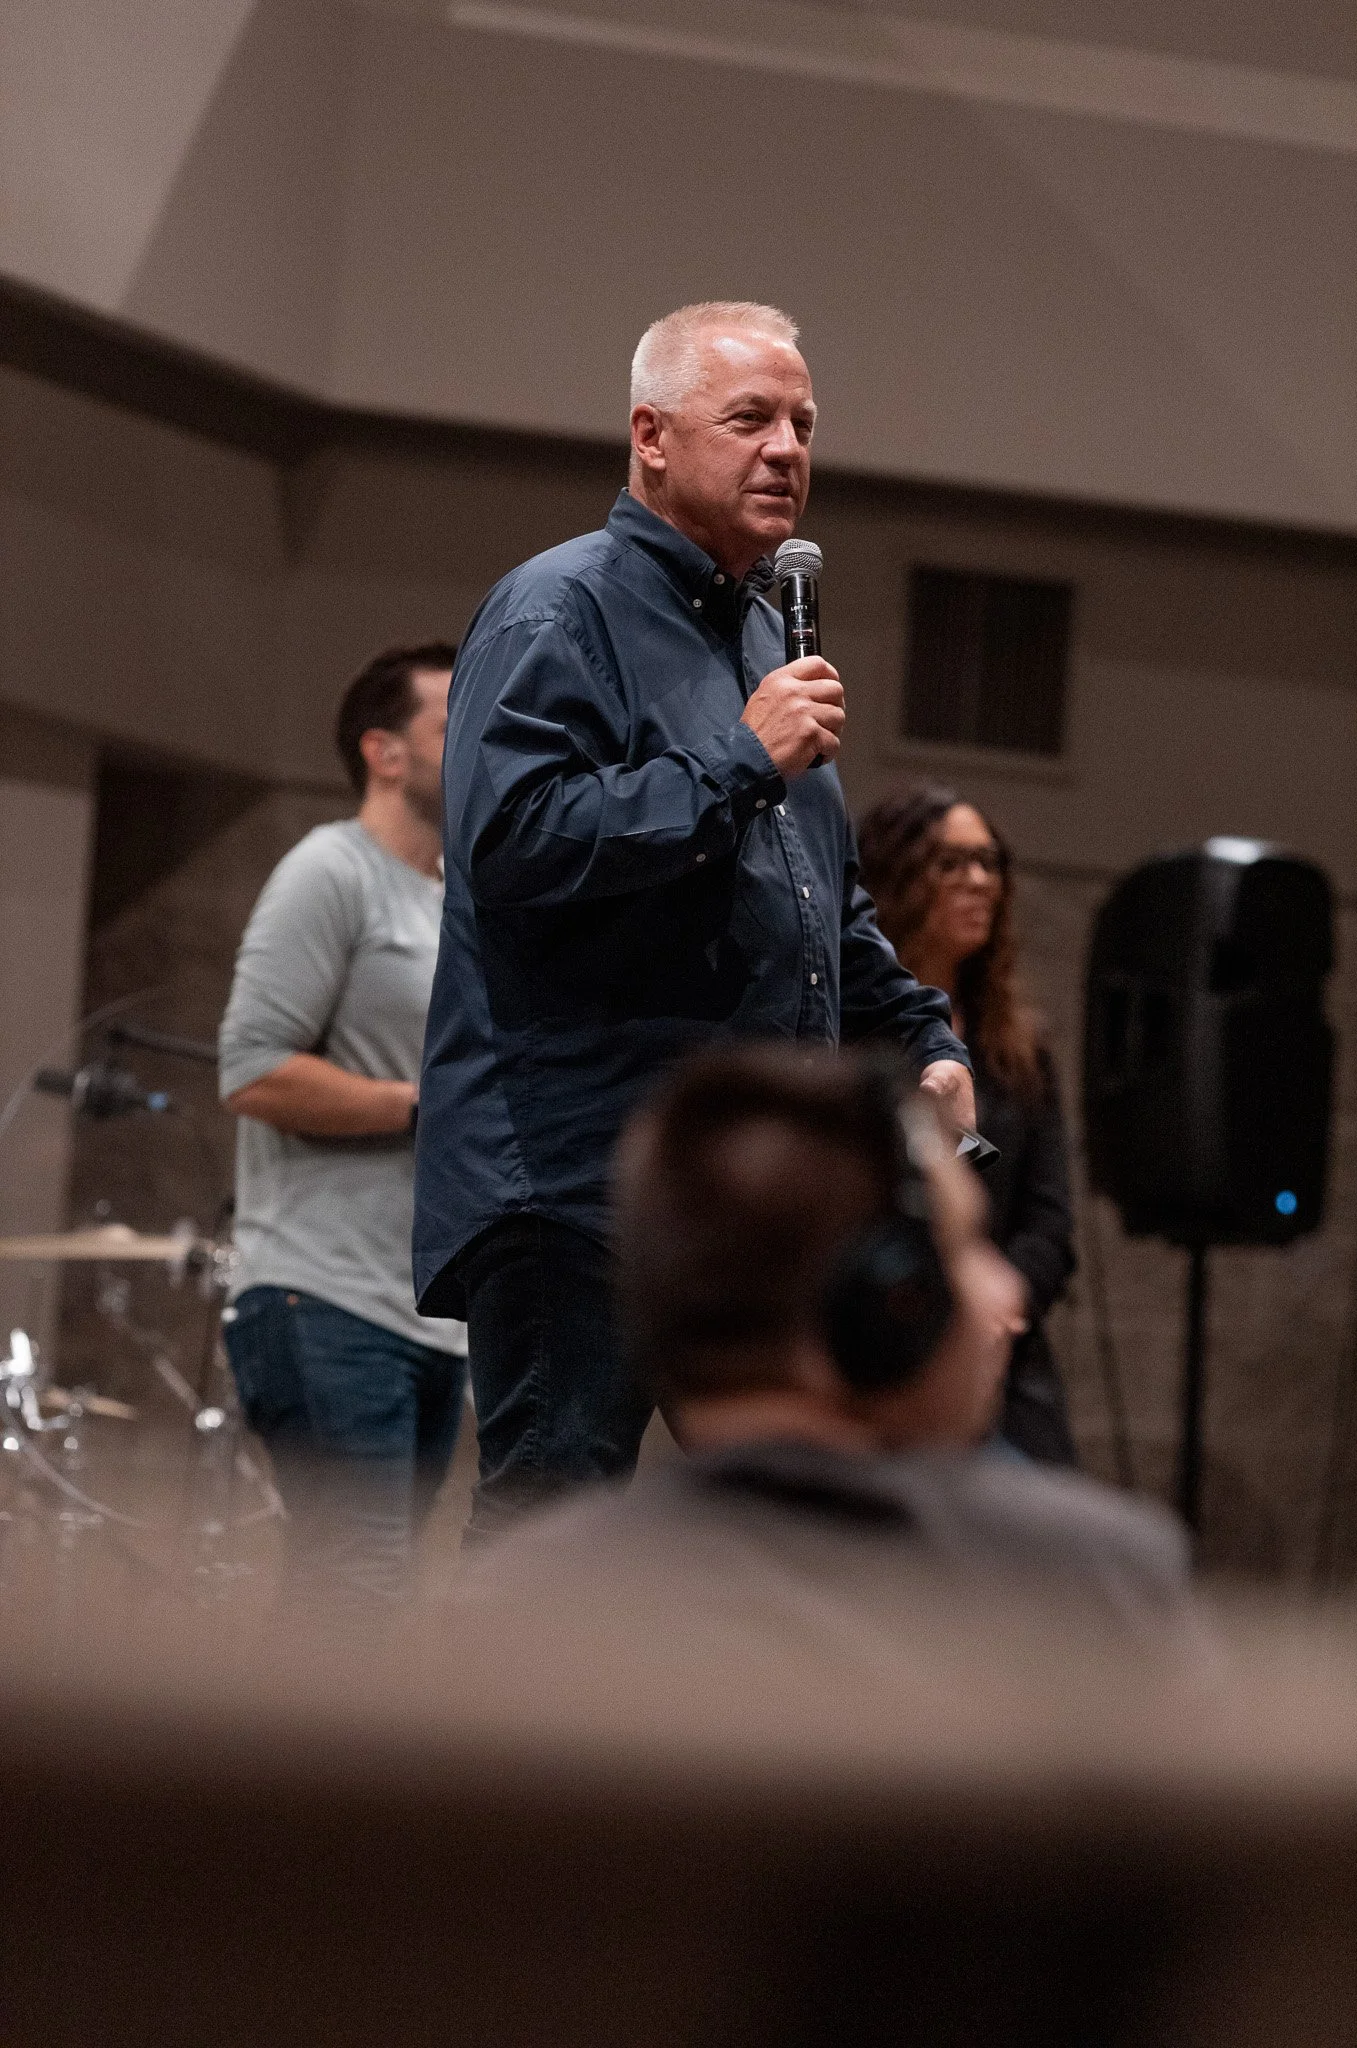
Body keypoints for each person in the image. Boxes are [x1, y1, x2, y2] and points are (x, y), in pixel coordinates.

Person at [414, 301, 974, 1537]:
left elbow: (818, 899)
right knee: (550, 1540)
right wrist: (737, 761)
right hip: (578, 1184)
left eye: (804, 423)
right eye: (751, 418)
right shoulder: (557, 611)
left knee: (788, 1542)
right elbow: (510, 845)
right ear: (651, 436)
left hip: (741, 1204)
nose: (788, 447)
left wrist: (926, 1037)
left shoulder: (768, 642)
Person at [459, 1044, 1190, 1632]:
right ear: (888, 1302)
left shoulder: (525, 1597)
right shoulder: (1094, 1581)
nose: (1001, 1288)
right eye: (965, 1246)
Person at [219, 643, 468, 1606]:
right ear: (384, 751)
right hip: (320, 1299)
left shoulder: (461, 902)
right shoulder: (330, 871)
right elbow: (251, 1072)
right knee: (352, 1595)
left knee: (382, 1601)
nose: (485, 738)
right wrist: (427, 1105)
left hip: (431, 1317)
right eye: (454, 724)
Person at [857, 784, 1078, 1464]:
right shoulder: (851, 1033)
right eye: (951, 862)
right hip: (877, 1341)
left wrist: (991, 1310)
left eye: (989, 861)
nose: (979, 881)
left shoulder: (1018, 1046)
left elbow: (1048, 1224)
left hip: (1000, 1357)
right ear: (897, 876)